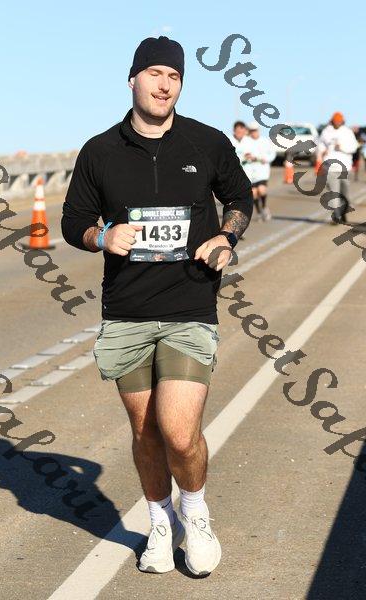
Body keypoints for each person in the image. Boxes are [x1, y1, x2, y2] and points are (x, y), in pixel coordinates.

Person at [61, 35, 253, 576]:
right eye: (155, 74)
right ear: (133, 79)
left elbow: (239, 198)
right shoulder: (99, 151)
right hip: (126, 313)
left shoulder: (206, 143)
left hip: (189, 307)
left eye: (174, 76)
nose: (164, 85)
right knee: (145, 434)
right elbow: (73, 222)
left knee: (178, 431)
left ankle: (195, 512)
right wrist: (103, 237)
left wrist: (225, 238)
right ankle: (160, 522)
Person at [318, 112, 358, 224]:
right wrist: (321, 152)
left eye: (339, 121)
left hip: (344, 167)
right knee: (334, 193)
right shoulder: (326, 132)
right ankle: (336, 216)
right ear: (332, 121)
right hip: (330, 167)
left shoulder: (347, 132)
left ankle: (343, 211)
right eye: (335, 121)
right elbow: (320, 145)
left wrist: (342, 147)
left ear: (342, 121)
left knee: (345, 194)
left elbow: (354, 147)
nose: (337, 123)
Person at [243, 122, 276, 221]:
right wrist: (246, 157)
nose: (253, 133)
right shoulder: (246, 142)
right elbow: (243, 154)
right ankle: (258, 212)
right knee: (254, 193)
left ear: (258, 131)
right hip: (250, 172)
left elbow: (272, 154)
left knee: (261, 190)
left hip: (262, 171)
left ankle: (264, 207)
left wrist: (263, 159)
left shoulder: (265, 141)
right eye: (251, 131)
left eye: (255, 131)